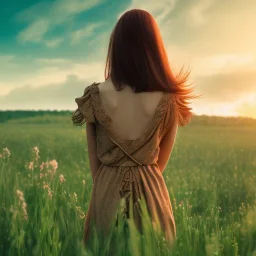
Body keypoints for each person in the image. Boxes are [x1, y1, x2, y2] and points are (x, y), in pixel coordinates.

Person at [72, 8, 200, 253]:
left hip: (106, 194)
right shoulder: (169, 99)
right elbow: (159, 164)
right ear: (154, 47)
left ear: (116, 47)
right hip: (153, 195)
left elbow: (94, 165)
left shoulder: (95, 96)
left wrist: (112, 185)